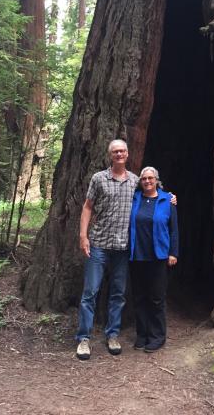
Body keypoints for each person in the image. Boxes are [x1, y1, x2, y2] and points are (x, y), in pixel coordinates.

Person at [76, 141, 176, 361]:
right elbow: (87, 207)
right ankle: (84, 338)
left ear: (128, 154)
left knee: (118, 294)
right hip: (99, 245)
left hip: (123, 249)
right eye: (115, 151)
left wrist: (170, 197)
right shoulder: (98, 178)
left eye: (122, 151)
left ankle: (112, 334)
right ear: (110, 155)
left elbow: (154, 192)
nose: (119, 154)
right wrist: (83, 236)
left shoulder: (134, 182)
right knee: (90, 292)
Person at [129, 166, 178, 352]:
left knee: (156, 298)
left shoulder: (167, 200)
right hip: (137, 256)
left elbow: (174, 229)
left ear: (156, 180)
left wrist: (173, 252)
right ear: (140, 182)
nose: (147, 181)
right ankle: (142, 334)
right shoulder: (135, 199)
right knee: (139, 297)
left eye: (150, 178)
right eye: (144, 179)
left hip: (158, 256)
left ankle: (157, 336)